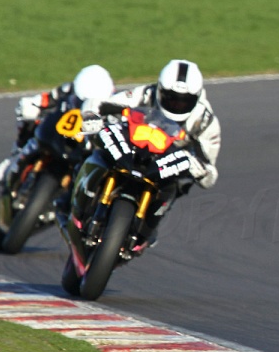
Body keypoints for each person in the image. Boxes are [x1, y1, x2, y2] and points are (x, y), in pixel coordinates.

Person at [70, 58, 221, 253]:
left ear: (197, 97)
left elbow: (210, 175)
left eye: (184, 101)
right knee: (97, 150)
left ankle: (145, 231)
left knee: (179, 186)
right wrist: (91, 117)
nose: (176, 105)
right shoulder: (145, 94)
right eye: (171, 98)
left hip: (167, 166)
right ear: (159, 90)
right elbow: (97, 103)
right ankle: (81, 191)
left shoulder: (205, 121)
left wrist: (198, 168)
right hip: (133, 149)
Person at [0, 64, 116, 184]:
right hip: (56, 132)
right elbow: (44, 100)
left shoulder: (113, 104)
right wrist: (32, 105)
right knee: (30, 118)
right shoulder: (68, 89)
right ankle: (14, 156)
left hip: (84, 143)